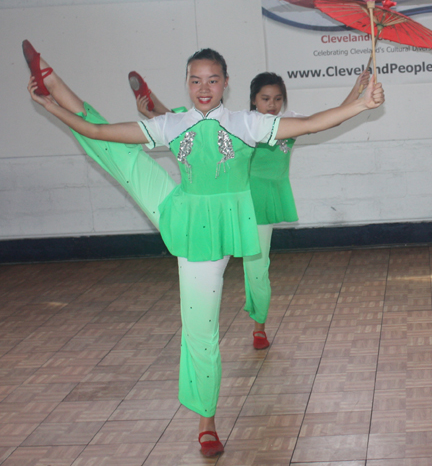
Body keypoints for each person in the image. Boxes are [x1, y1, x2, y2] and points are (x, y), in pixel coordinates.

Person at [23, 40, 384, 457]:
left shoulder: (247, 123)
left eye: (212, 79)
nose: (204, 87)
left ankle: (54, 85)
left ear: (226, 84)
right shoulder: (172, 124)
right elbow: (101, 131)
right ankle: (206, 420)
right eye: (195, 80)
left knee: (206, 325)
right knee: (121, 157)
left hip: (220, 235)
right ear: (187, 84)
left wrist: (360, 105)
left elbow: (311, 124)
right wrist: (52, 110)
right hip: (182, 219)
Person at [131, 70, 369, 350]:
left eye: (278, 99)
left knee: (257, 270)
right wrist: (153, 111)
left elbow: (330, 119)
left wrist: (358, 92)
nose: (272, 104)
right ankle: (201, 327)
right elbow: (189, 127)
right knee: (208, 267)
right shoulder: (244, 125)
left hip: (263, 204)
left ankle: (259, 327)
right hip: (234, 200)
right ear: (253, 100)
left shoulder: (285, 122)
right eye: (266, 98)